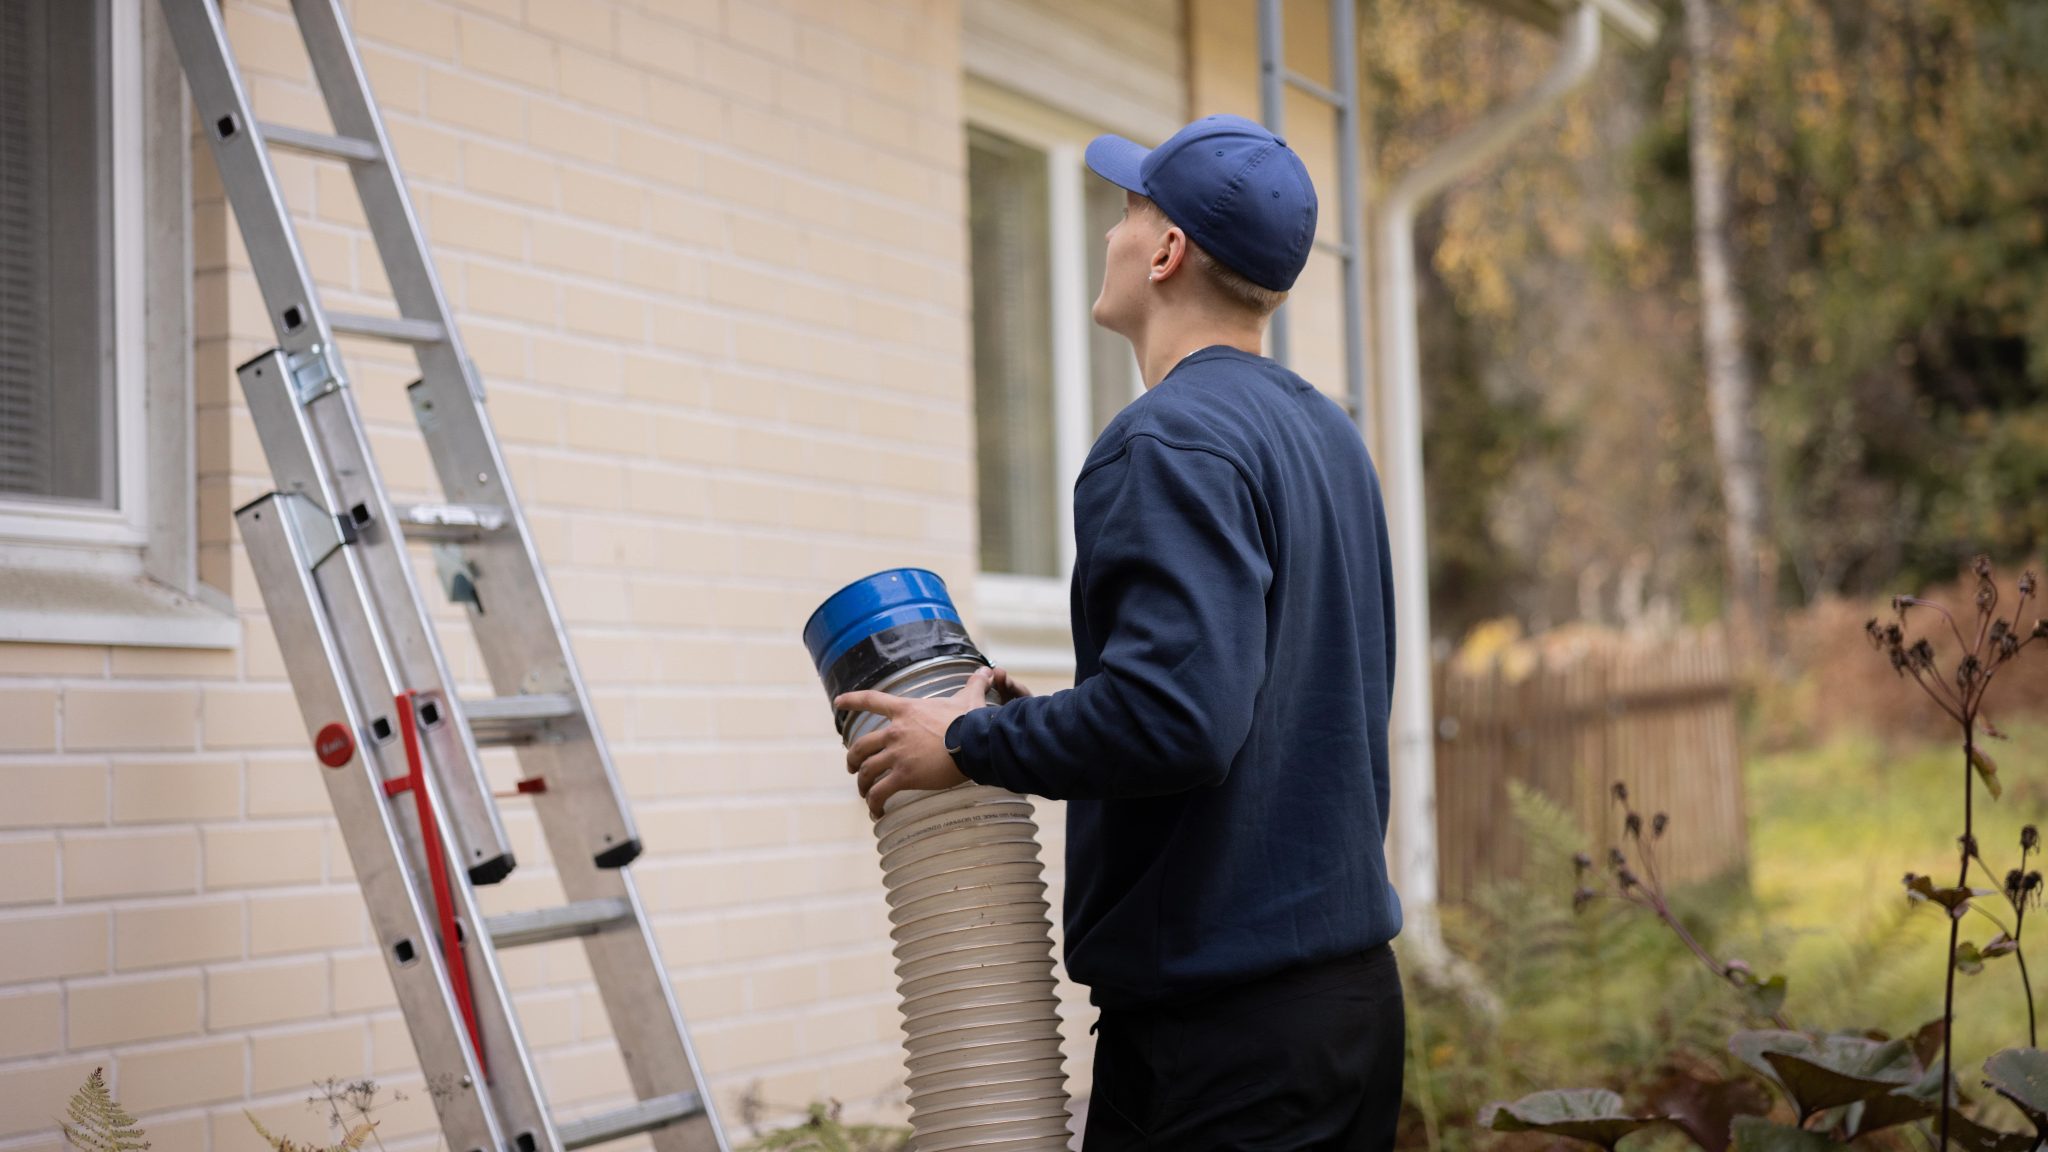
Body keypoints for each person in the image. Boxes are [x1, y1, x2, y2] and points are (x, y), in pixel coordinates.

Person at [836, 113, 1404, 1151]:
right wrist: (1035, 717)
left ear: (1167, 249)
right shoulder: (1325, 435)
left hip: (1222, 1046)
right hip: (1345, 1015)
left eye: (1128, 209)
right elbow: (1254, 699)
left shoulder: (1166, 441)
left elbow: (1177, 722)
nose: (1111, 231)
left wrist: (968, 744)